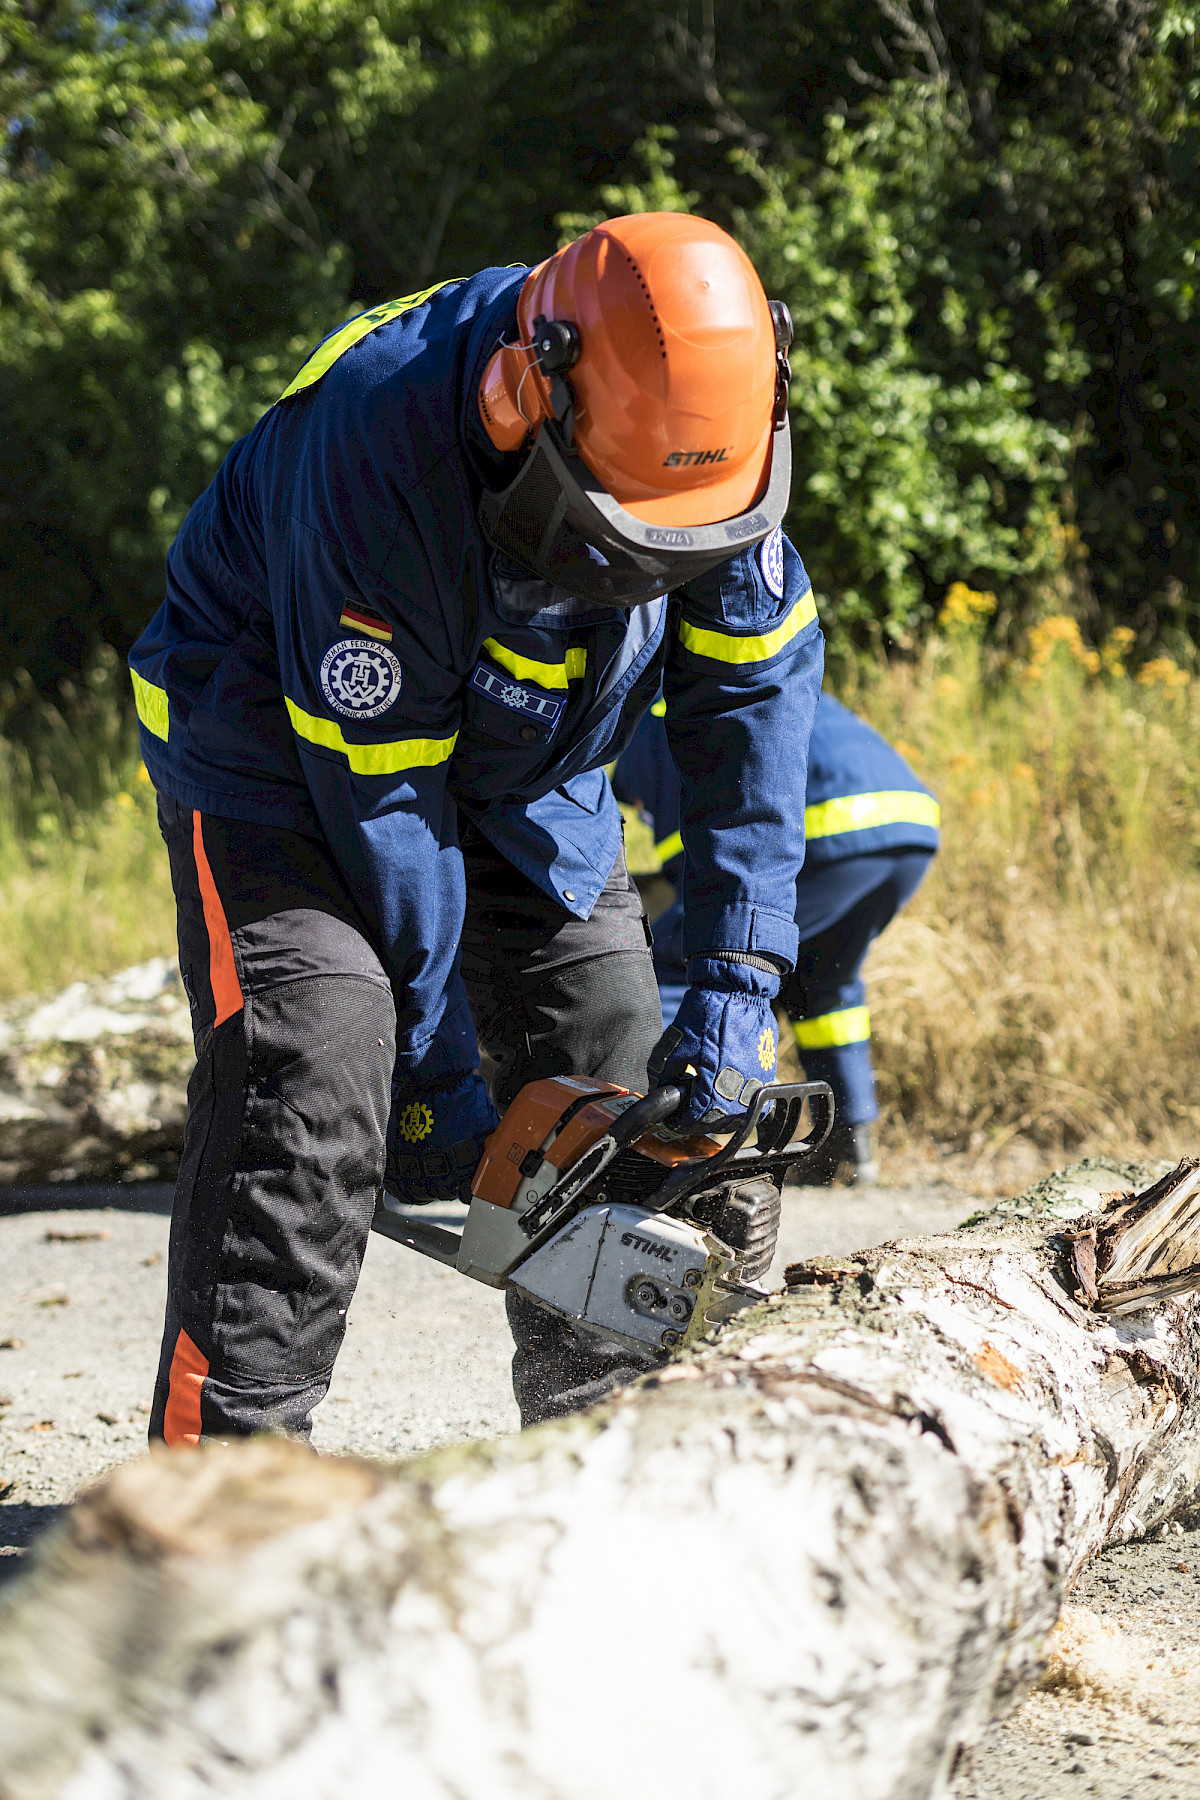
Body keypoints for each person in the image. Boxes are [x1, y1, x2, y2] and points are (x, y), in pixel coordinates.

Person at [127, 211, 825, 1439]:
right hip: (277, 750)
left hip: (523, 755)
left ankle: (598, 1449)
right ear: (524, 405)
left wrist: (739, 981)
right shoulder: (379, 438)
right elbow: (384, 807)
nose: (649, 575)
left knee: (607, 1036)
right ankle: (217, 1500)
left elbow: (753, 702)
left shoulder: (701, 440)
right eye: (619, 543)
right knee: (323, 1058)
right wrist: (438, 1089)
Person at [613, 692, 938, 1184]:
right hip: (906, 828)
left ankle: (646, 1145)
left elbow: (701, 866)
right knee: (823, 983)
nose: (641, 812)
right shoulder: (732, 679)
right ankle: (849, 1150)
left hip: (827, 831)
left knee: (684, 955)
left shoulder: (649, 722)